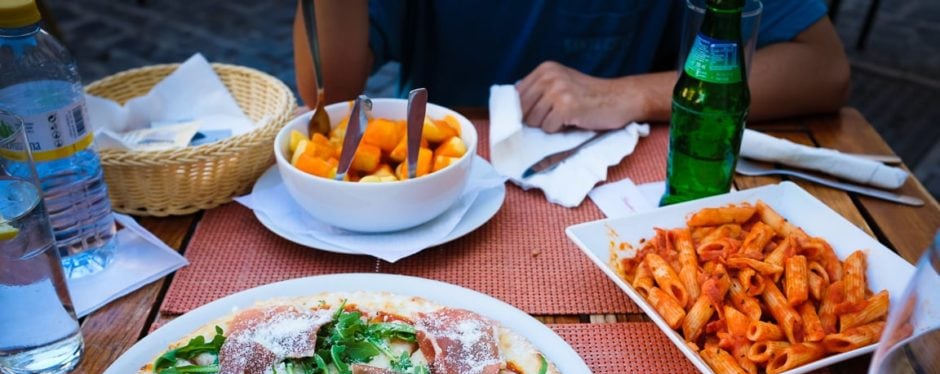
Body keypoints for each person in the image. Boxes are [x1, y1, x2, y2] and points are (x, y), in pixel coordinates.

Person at [293, 1, 850, 132]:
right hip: (431, 174)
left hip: (625, 183)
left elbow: (821, 69)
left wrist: (632, 93)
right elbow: (329, 93)